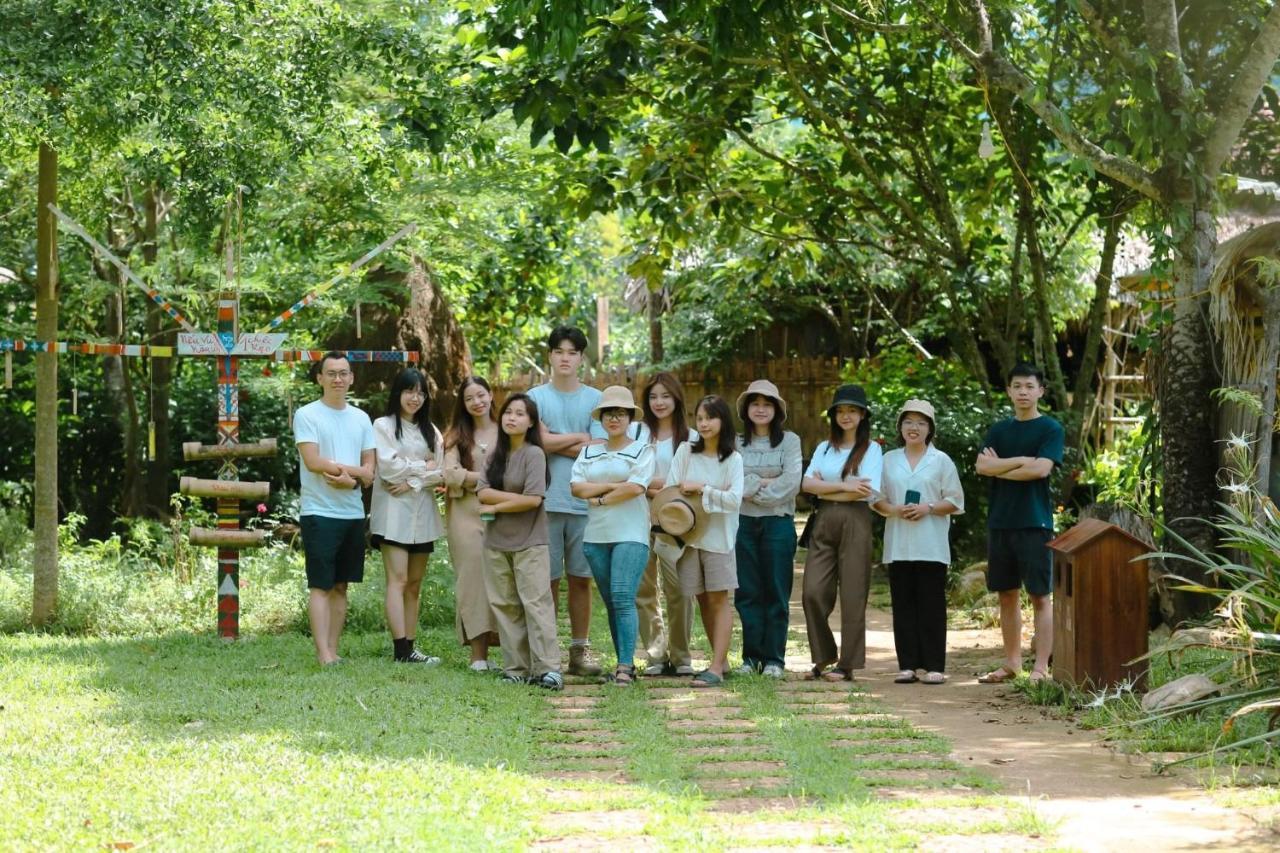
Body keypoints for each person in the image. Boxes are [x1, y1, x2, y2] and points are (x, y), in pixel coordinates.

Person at [975, 363, 1064, 684]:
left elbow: (1041, 471)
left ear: (1040, 391)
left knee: (1041, 595)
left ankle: (1041, 667)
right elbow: (981, 467)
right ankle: (1012, 663)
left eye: (1029, 386)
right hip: (1001, 522)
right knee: (1006, 594)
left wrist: (999, 466)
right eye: (1017, 386)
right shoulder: (998, 430)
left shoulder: (1051, 429)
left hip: (1035, 522)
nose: (1023, 392)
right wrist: (1020, 461)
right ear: (1009, 391)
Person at [526, 326, 604, 677]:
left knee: (580, 579)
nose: (565, 358)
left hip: (584, 501)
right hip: (544, 500)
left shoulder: (597, 400)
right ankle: (547, 653)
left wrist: (552, 439)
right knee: (547, 580)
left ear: (581, 358)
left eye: (572, 352)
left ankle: (579, 651)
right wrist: (579, 439)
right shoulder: (535, 397)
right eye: (559, 351)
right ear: (550, 356)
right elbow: (533, 442)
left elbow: (602, 450)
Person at [873, 400, 964, 685]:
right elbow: (876, 499)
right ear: (900, 427)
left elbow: (955, 500)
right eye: (909, 422)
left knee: (931, 604)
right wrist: (893, 509)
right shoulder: (888, 459)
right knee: (903, 604)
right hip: (899, 543)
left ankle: (935, 665)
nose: (914, 428)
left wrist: (928, 508)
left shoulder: (941, 461)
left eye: (921, 423)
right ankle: (908, 665)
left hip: (931, 544)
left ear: (930, 429)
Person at [570, 386, 656, 686]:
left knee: (622, 595)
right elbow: (577, 488)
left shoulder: (643, 450)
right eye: (609, 413)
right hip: (596, 536)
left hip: (630, 533)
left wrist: (603, 497)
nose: (614, 419)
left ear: (630, 417)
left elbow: (636, 488)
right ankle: (622, 661)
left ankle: (625, 666)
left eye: (620, 413)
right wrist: (615, 483)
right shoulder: (588, 450)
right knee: (611, 600)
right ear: (601, 418)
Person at [294, 351, 375, 666]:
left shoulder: (361, 418)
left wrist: (351, 479)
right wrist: (356, 474)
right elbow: (313, 462)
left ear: (351, 378)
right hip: (319, 512)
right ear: (320, 378)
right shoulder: (307, 414)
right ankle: (322, 653)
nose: (338, 379)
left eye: (344, 373)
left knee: (342, 585)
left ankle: (333, 649)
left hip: (352, 514)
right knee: (321, 584)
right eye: (331, 373)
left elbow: (371, 471)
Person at [477, 392, 563, 690]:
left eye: (520, 414)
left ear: (531, 423)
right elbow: (482, 492)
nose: (512, 418)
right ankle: (516, 667)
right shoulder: (493, 455)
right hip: (496, 542)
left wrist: (498, 506)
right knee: (505, 605)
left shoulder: (534, 454)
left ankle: (549, 669)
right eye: (508, 413)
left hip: (530, 541)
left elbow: (533, 500)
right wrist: (516, 498)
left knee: (537, 604)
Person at [800, 384, 883, 682]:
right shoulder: (824, 448)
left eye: (852, 410)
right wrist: (847, 486)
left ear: (862, 415)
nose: (845, 416)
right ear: (833, 415)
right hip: (823, 520)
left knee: (853, 592)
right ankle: (823, 656)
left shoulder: (872, 449)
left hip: (856, 521)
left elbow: (867, 491)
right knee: (811, 591)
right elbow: (807, 485)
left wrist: (831, 488)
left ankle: (847, 664)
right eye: (840, 411)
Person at [662, 395, 744, 688]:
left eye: (710, 417)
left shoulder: (733, 459)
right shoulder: (686, 451)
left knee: (719, 599)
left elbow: (734, 500)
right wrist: (712, 492)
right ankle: (719, 661)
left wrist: (702, 488)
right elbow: (673, 489)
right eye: (699, 418)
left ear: (724, 421)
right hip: (689, 538)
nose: (704, 424)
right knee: (700, 597)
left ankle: (715, 668)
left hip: (719, 540)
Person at [370, 368, 446, 664]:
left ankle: (412, 647)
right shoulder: (383, 425)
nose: (415, 398)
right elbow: (387, 469)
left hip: (422, 514)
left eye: (420, 392)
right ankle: (400, 648)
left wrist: (412, 478)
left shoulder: (433, 431)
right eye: (409, 391)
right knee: (397, 580)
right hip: (393, 515)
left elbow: (440, 470)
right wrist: (422, 467)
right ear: (397, 393)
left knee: (414, 583)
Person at [733, 379, 803, 679]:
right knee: (747, 592)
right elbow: (733, 481)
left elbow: (792, 482)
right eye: (755, 403)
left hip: (778, 523)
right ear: (746, 409)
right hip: (743, 524)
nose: (760, 409)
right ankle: (751, 658)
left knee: (776, 591)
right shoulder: (735, 442)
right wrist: (761, 482)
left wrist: (754, 487)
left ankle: (774, 659)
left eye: (767, 404)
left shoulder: (790, 441)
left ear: (776, 409)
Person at [637, 372, 695, 677]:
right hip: (638, 517)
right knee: (644, 589)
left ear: (677, 398)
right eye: (653, 396)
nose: (659, 402)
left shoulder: (692, 437)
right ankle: (655, 655)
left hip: (677, 520)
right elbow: (628, 474)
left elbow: (692, 482)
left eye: (665, 396)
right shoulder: (637, 433)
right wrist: (665, 484)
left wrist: (655, 484)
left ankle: (682, 655)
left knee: (680, 589)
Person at [443, 376, 501, 671]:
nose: (477, 402)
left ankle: (513, 652)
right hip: (465, 515)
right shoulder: (456, 436)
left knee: (505, 581)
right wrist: (483, 479)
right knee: (473, 581)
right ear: (463, 405)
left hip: (504, 514)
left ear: (491, 396)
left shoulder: (507, 430)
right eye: (469, 398)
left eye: (481, 395)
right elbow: (449, 474)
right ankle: (478, 656)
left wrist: (470, 478)